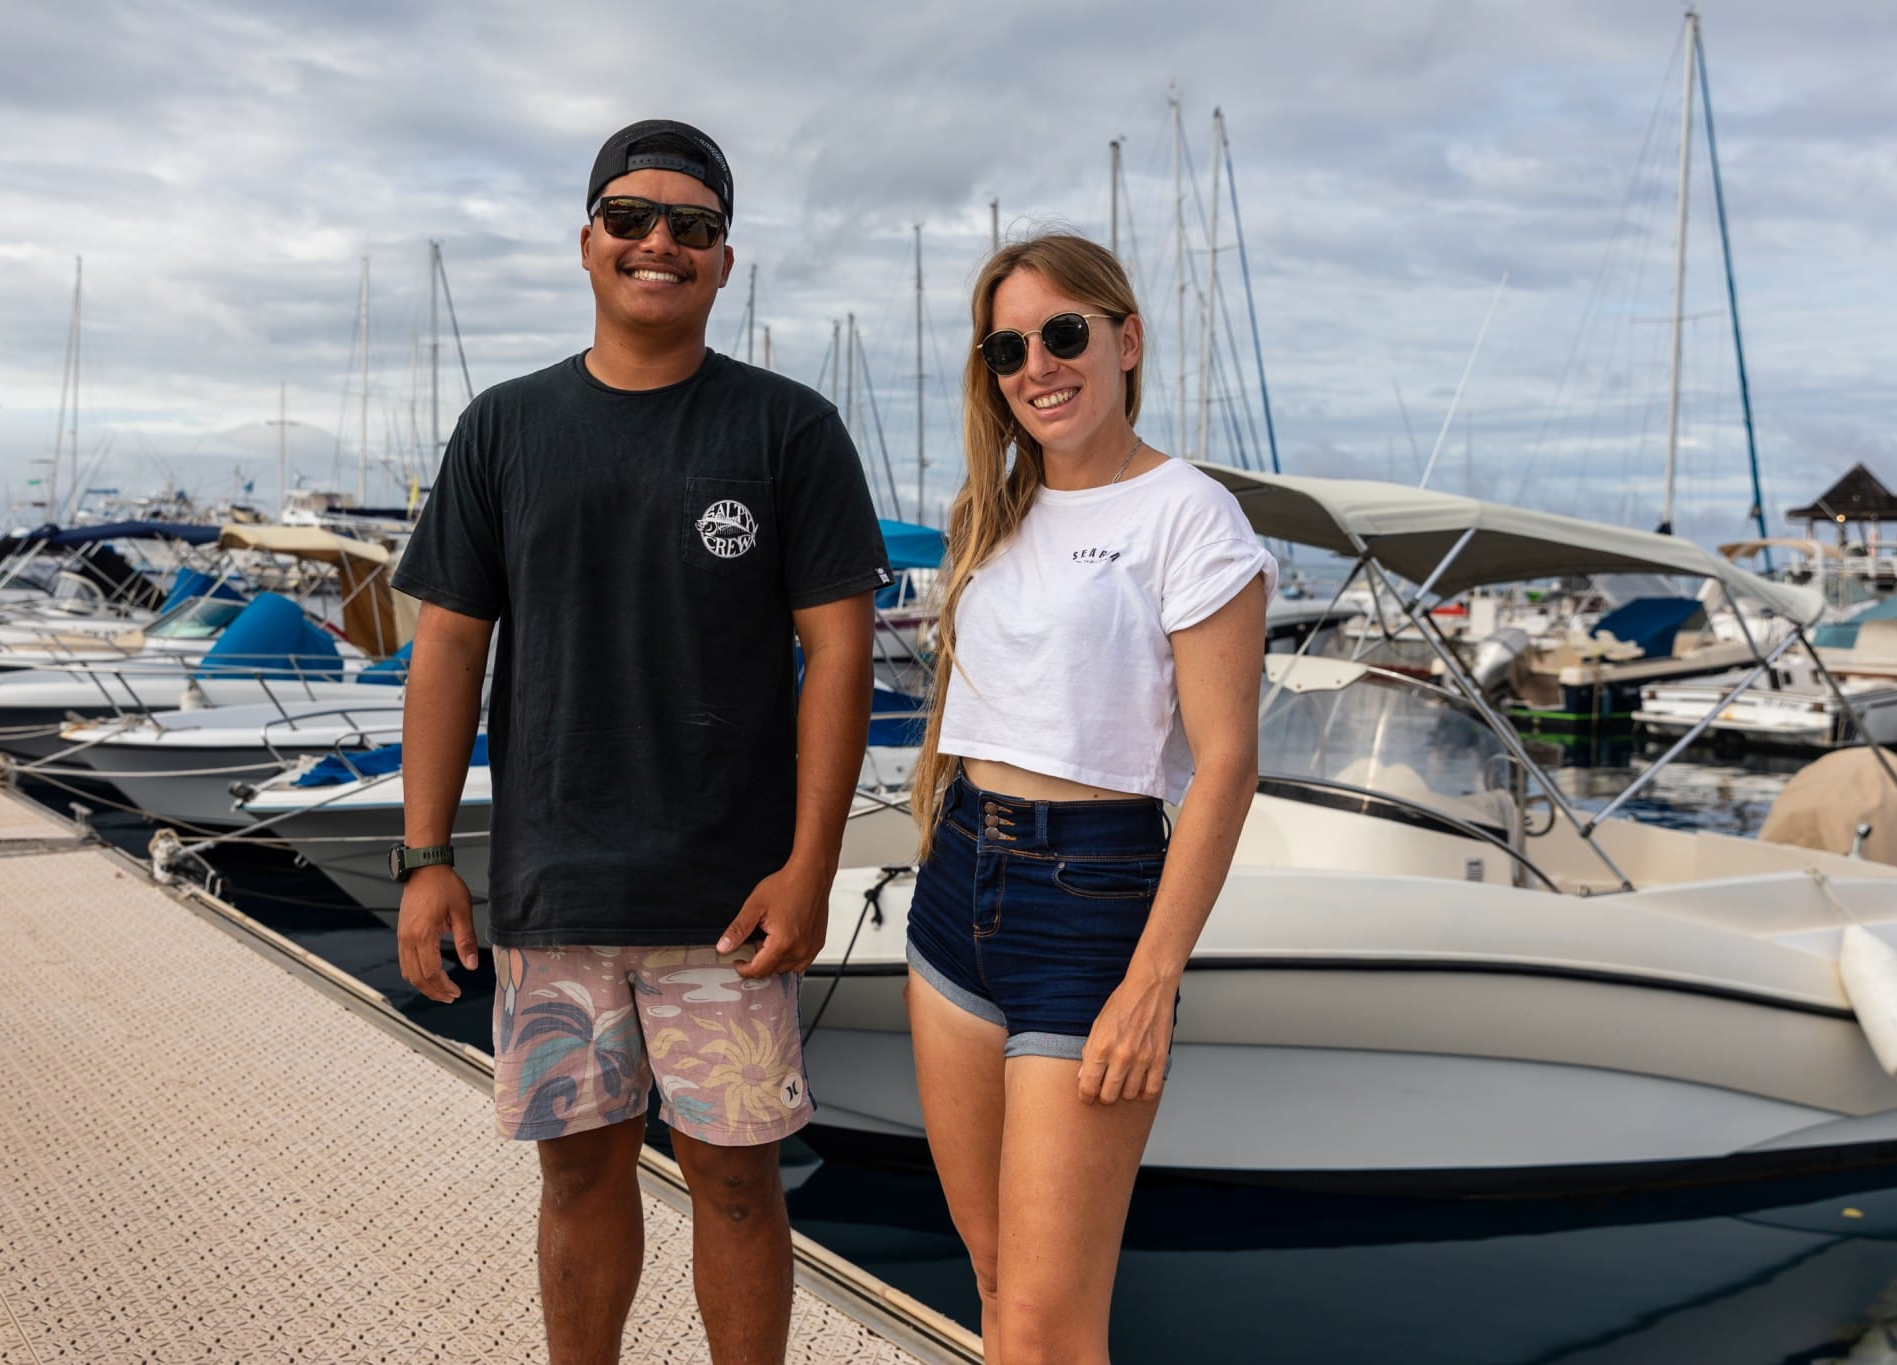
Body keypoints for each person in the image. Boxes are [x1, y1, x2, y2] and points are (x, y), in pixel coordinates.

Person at [390, 118, 890, 1365]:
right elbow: (447, 647)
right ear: (587, 241)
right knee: (576, 1177)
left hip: (731, 894)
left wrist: (810, 861)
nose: (658, 241)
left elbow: (837, 653)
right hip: (555, 884)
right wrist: (424, 856)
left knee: (734, 1183)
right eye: (630, 217)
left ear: (725, 261)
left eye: (694, 226)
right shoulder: (504, 429)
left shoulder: (789, 431)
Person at [905, 234, 1271, 1363]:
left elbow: (1224, 767)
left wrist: (1149, 983)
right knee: (997, 1283)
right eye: (1007, 345)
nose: (1037, 365)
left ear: (1124, 339)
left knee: (1055, 1325)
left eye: (1061, 333)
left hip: (1092, 902)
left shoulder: (1188, 516)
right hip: (957, 882)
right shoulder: (990, 512)